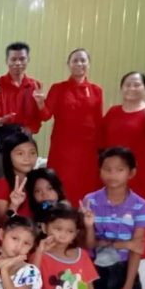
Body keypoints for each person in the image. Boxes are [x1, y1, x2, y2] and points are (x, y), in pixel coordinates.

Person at [82, 147, 145, 289]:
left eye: (119, 169)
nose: (112, 174)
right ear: (100, 171)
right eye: (107, 169)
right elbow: (88, 244)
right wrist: (123, 243)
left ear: (132, 173)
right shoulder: (90, 201)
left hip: (124, 271)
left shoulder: (141, 206)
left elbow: (136, 249)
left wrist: (128, 288)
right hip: (94, 271)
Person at [41, 48, 104, 207]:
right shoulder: (58, 88)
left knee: (86, 190)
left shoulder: (96, 91)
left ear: (88, 64)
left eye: (83, 60)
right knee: (61, 187)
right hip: (63, 150)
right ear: (68, 64)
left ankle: (84, 226)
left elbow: (98, 122)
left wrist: (101, 151)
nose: (79, 64)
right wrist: (40, 103)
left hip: (87, 152)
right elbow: (45, 115)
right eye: (75, 60)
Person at [101, 72, 145, 203]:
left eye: (137, 85)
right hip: (112, 170)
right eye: (127, 85)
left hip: (138, 172)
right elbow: (101, 137)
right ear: (121, 88)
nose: (132, 88)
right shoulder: (113, 111)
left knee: (137, 209)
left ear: (144, 88)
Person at [0, 42, 46, 179]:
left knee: (25, 179)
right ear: (7, 61)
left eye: (22, 59)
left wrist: (33, 126)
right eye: (13, 59)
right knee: (0, 177)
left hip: (24, 136)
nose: (18, 63)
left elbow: (43, 116)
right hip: (1, 136)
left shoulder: (34, 85)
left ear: (28, 60)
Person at [0, 130, 37, 224]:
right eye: (20, 153)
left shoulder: (37, 181)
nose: (27, 158)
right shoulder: (2, 185)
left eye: (32, 153)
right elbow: (3, 224)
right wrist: (13, 206)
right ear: (8, 156)